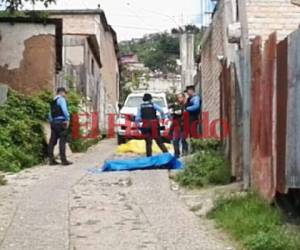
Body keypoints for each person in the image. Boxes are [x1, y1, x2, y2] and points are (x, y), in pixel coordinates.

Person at [48, 87, 73, 166]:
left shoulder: (53, 101)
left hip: (54, 123)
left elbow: (49, 114)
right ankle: (64, 160)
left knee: (52, 142)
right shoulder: (61, 99)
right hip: (61, 122)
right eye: (65, 93)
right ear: (61, 92)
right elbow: (65, 110)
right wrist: (68, 119)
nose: (65, 95)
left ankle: (51, 160)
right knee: (62, 141)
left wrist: (52, 121)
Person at [169, 93, 188, 158]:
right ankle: (177, 155)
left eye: (180, 97)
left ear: (184, 98)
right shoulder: (176, 105)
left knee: (183, 140)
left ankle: (184, 154)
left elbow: (181, 113)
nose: (179, 99)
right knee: (175, 140)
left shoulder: (186, 105)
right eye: (178, 98)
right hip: (177, 125)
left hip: (184, 125)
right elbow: (172, 113)